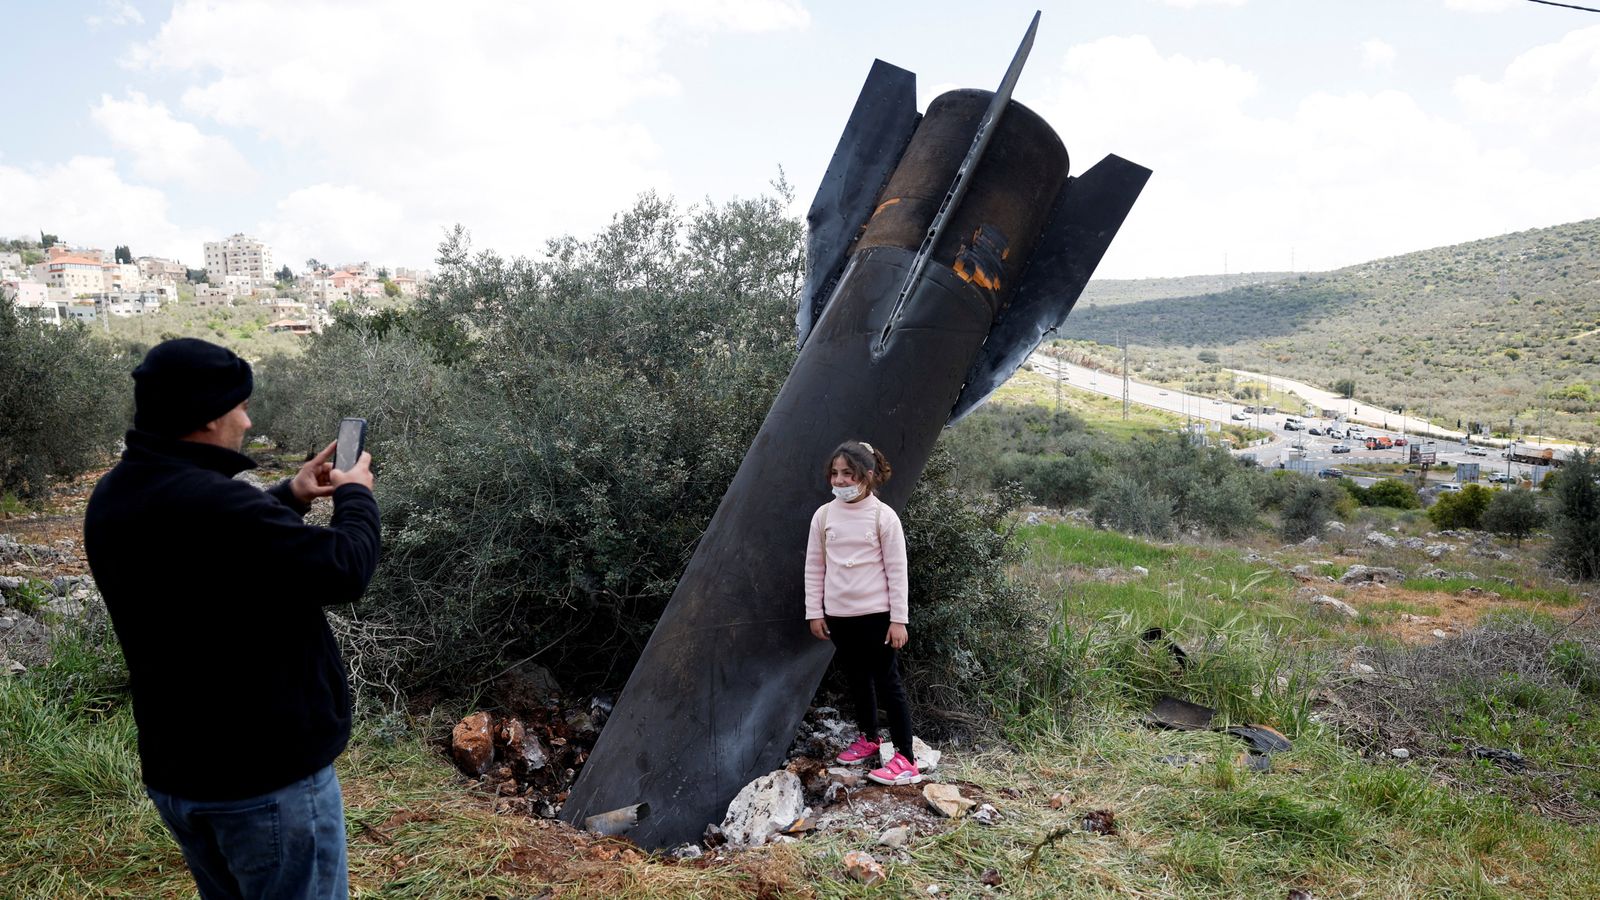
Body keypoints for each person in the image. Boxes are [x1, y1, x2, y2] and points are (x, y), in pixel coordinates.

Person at [84, 338, 381, 900]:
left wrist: (290, 494)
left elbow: (213, 551)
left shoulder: (116, 493)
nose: (247, 420)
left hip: (184, 777)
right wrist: (355, 497)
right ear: (206, 419)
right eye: (239, 407)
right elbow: (344, 569)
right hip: (265, 785)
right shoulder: (217, 506)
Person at [803, 439, 921, 786]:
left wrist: (899, 619)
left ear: (867, 475)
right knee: (856, 679)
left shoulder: (883, 517)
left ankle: (906, 758)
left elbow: (897, 570)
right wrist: (815, 612)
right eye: (835, 473)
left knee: (888, 683)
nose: (839, 480)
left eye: (848, 474)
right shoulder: (823, 515)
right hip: (839, 617)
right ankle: (869, 738)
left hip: (878, 617)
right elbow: (814, 566)